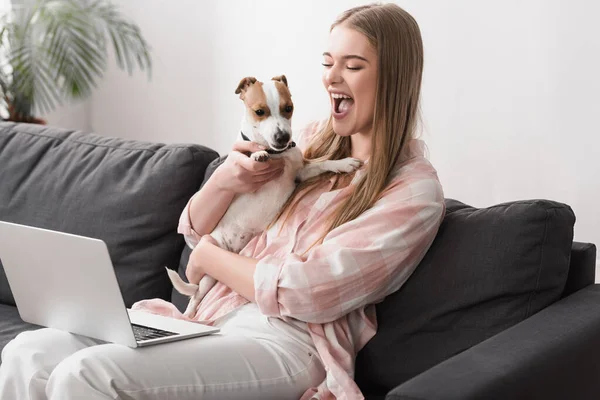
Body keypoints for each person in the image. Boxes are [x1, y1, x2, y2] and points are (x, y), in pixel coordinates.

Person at [0, 3, 445, 399]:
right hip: (213, 317)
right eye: (328, 62)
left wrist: (211, 259)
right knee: (27, 353)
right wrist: (225, 182)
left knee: (89, 375)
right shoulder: (306, 142)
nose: (330, 77)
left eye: (353, 65)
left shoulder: (413, 193)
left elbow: (309, 292)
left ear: (393, 77)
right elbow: (193, 230)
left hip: (288, 341)